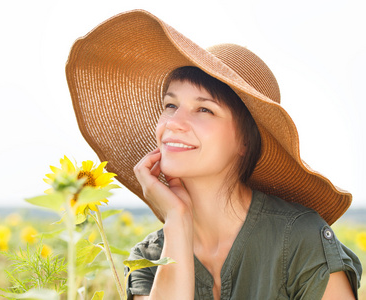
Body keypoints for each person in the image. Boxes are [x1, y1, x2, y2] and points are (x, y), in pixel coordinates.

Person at [66, 9, 362, 299]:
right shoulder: (150, 258)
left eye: (204, 109)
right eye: (170, 105)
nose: (174, 123)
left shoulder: (300, 240)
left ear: (244, 141)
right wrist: (177, 220)